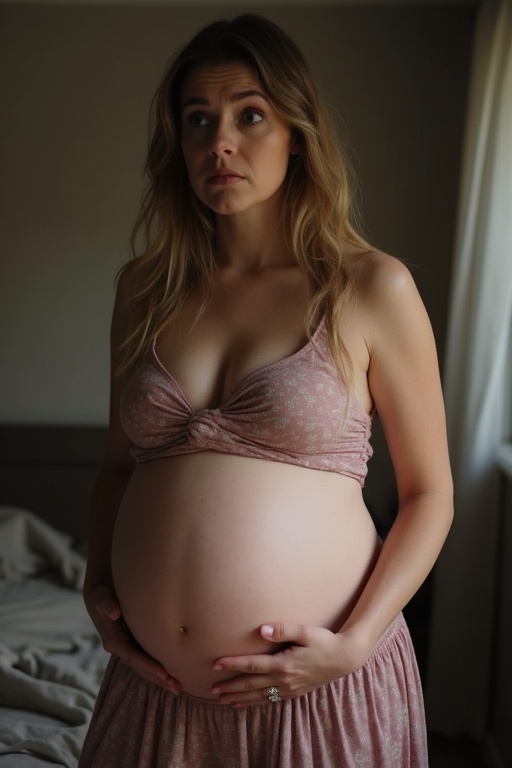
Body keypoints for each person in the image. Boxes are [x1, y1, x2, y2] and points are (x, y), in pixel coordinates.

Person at [78, 13, 453, 768]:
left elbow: (429, 495)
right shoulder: (144, 291)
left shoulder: (371, 286)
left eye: (250, 115)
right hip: (156, 696)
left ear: (298, 134)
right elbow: (121, 467)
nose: (220, 140)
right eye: (198, 120)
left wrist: (352, 646)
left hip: (314, 693)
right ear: (178, 146)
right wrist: (95, 586)